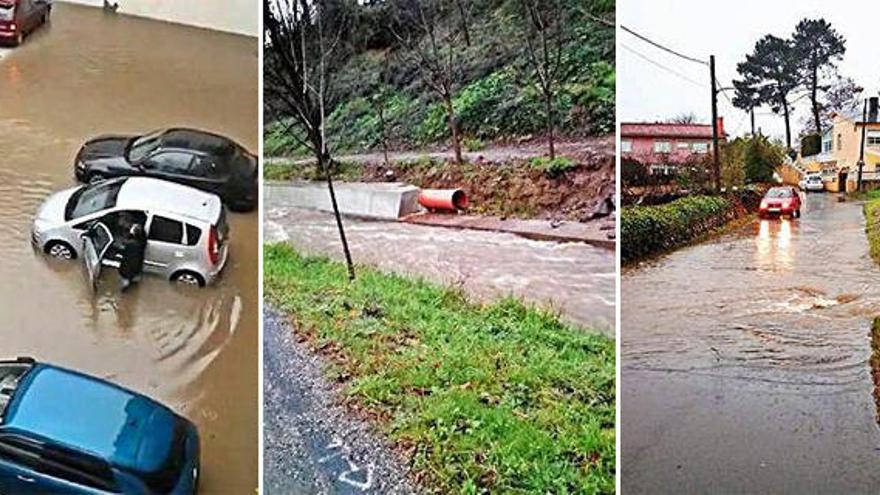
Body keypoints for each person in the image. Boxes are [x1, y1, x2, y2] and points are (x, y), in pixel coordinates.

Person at [119, 223, 147, 292]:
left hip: (127, 268)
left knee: (124, 287)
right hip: (136, 268)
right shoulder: (141, 242)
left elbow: (123, 251)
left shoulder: (130, 244)